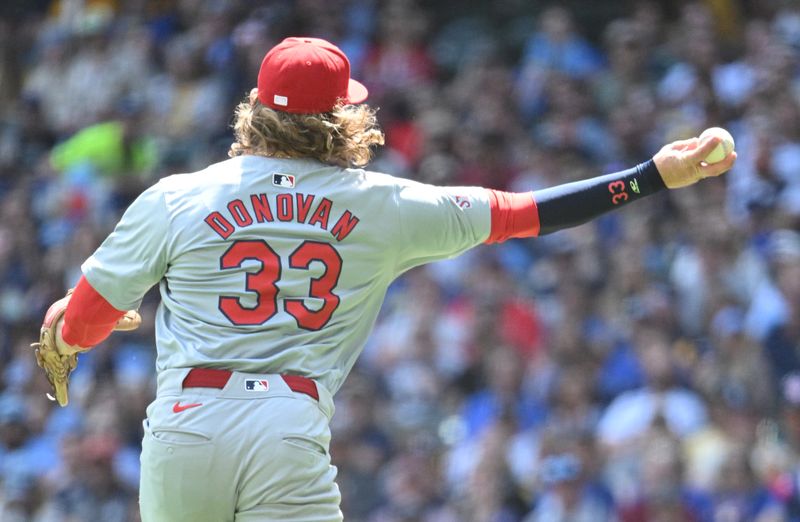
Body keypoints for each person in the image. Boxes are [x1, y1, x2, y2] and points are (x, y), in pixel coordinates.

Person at [35, 36, 735, 521]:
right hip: (287, 422)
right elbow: (527, 214)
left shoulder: (177, 196)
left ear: (257, 109)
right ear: (343, 117)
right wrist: (648, 178)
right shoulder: (384, 204)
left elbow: (86, 319)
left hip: (186, 422)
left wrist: (69, 331)